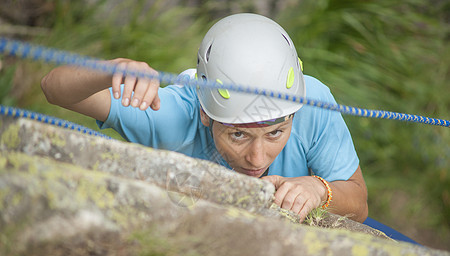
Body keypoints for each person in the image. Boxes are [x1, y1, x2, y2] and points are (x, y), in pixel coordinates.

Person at [41, 13, 368, 224]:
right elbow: (55, 89)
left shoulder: (311, 104)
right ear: (205, 113)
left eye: (275, 133)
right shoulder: (174, 116)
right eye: (238, 135)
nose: (257, 158)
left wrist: (317, 189)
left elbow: (358, 202)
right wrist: (111, 70)